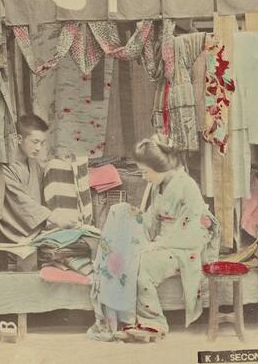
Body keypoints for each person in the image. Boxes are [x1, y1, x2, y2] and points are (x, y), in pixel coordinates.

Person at [88, 133, 219, 342]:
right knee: (125, 250)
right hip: (164, 243)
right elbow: (151, 219)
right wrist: (130, 215)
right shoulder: (159, 185)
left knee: (141, 265)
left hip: (184, 247)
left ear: (161, 167)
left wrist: (157, 245)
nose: (143, 177)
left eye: (145, 172)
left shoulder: (187, 186)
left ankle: (154, 324)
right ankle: (128, 320)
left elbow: (192, 229)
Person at [0, 114, 56, 243]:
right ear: (19, 139)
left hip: (37, 228)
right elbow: (21, 201)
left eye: (42, 143)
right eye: (35, 142)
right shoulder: (5, 169)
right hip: (12, 233)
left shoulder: (34, 164)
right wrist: (53, 216)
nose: (38, 148)